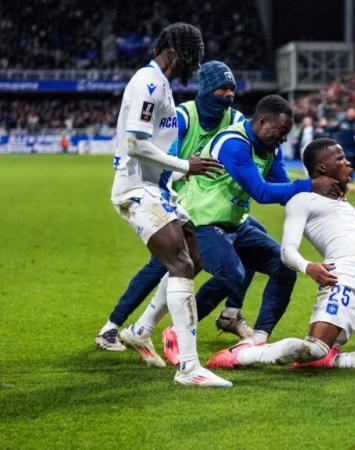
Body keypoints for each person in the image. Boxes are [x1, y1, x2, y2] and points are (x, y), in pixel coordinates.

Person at [206, 138, 355, 371]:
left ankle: (334, 360)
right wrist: (308, 266)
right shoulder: (302, 200)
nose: (348, 163)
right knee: (312, 349)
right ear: (322, 167)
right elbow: (287, 251)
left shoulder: (344, 204)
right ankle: (244, 355)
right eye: (340, 158)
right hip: (343, 279)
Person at [159, 95, 341, 364]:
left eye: (287, 134)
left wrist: (322, 203)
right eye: (281, 132)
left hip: (235, 222)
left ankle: (257, 341)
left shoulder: (270, 148)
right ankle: (176, 331)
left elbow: (283, 188)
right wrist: (309, 185)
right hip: (199, 220)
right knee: (231, 274)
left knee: (282, 268)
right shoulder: (235, 144)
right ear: (262, 121)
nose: (283, 139)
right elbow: (261, 191)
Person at [95, 61, 258, 361]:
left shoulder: (235, 119)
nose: (228, 95)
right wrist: (184, 171)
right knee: (164, 265)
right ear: (207, 89)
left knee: (254, 244)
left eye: (232, 89)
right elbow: (162, 156)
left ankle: (232, 313)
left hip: (217, 204)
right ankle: (115, 326)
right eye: (223, 88)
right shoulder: (183, 116)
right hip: (178, 197)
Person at [108, 23, 231, 387]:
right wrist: (184, 165)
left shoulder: (162, 84)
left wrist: (177, 172)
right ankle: (190, 369)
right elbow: (135, 143)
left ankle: (140, 330)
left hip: (158, 188)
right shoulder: (148, 83)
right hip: (136, 188)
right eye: (194, 49)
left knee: (194, 258)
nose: (198, 57)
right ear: (177, 50)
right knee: (178, 263)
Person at [335, 108, 355, 173]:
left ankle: (352, 173)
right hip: (345, 148)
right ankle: (348, 177)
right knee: (348, 164)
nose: (351, 114)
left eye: (352, 113)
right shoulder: (342, 122)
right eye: (349, 113)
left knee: (354, 166)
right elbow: (333, 129)